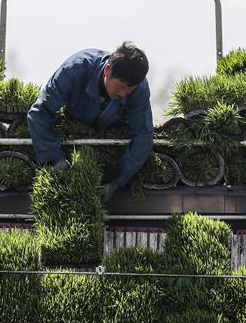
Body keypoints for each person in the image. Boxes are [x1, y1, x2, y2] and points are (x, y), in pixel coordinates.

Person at [27, 42, 154, 203]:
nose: (123, 94)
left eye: (129, 90)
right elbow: (39, 113)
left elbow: (143, 135)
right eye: (120, 87)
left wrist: (117, 182)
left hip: (112, 128)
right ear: (107, 70)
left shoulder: (139, 88)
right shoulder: (74, 70)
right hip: (75, 121)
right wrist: (55, 159)